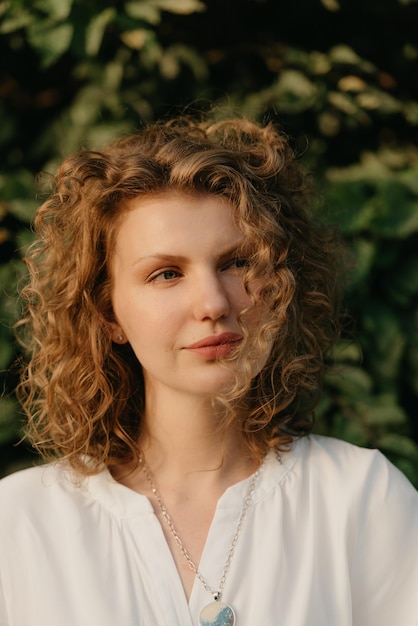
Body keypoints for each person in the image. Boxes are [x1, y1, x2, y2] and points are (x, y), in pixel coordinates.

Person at [0, 114, 417, 626]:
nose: (213, 303)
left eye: (237, 262)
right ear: (110, 314)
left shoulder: (360, 498)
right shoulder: (20, 524)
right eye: (166, 273)